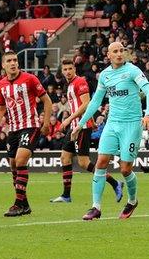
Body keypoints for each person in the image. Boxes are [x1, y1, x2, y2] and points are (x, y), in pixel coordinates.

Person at [71, 42, 149, 220]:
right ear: (108, 55)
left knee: (125, 169)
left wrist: (147, 114)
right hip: (112, 124)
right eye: (115, 51)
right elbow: (95, 102)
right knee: (101, 162)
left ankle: (132, 201)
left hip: (131, 125)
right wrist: (81, 123)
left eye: (121, 51)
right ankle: (96, 207)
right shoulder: (105, 75)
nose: (119, 54)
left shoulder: (132, 70)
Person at [0, 51, 52, 217]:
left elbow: (47, 100)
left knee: (20, 160)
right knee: (14, 165)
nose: (13, 63)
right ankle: (25, 204)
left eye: (15, 60)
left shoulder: (30, 79)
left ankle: (17, 204)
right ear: (3, 65)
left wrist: (45, 123)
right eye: (9, 60)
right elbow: (0, 110)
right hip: (13, 129)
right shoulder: (1, 85)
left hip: (30, 125)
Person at [50, 59, 123, 203]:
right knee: (65, 158)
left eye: (70, 68)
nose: (67, 72)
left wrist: (69, 119)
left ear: (74, 69)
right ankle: (66, 195)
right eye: (65, 69)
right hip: (75, 127)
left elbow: (86, 104)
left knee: (83, 163)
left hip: (81, 127)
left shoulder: (80, 82)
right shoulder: (70, 84)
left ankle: (115, 183)